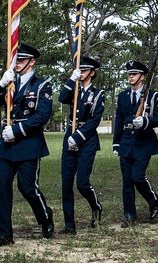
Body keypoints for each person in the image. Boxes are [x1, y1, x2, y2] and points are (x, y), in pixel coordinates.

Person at [0, 43, 55, 247]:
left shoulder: (42, 85)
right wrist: (0, 84)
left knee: (28, 188)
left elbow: (42, 115)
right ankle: (4, 233)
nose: (17, 64)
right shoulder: (10, 83)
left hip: (28, 143)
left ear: (32, 62)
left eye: (21, 60)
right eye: (16, 60)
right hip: (6, 144)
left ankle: (45, 216)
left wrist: (17, 130)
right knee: (2, 188)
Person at [56, 54, 105, 234]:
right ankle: (69, 224)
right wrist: (71, 79)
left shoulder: (98, 94)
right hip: (69, 137)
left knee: (82, 183)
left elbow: (94, 120)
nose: (81, 73)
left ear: (92, 73)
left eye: (84, 71)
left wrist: (78, 137)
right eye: (79, 70)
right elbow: (62, 98)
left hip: (87, 140)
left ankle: (96, 206)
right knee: (66, 185)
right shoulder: (74, 90)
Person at [112, 60, 158, 227]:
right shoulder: (122, 96)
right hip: (126, 142)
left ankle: (152, 199)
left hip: (144, 142)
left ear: (142, 76)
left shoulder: (152, 96)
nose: (131, 77)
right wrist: (116, 143)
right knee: (127, 181)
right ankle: (129, 215)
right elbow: (118, 121)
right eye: (129, 74)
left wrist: (146, 121)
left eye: (134, 74)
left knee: (137, 177)